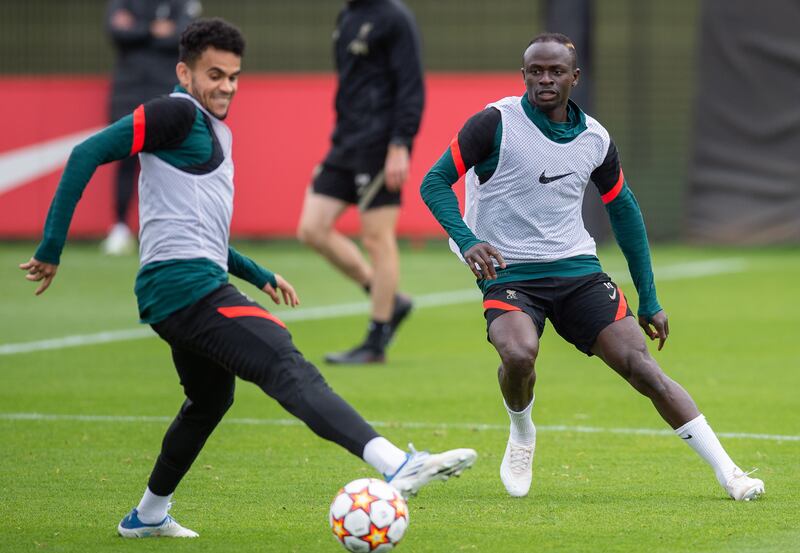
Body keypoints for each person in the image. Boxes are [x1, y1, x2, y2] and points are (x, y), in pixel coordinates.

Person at [20, 18, 476, 539]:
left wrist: (258, 274)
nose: (227, 87)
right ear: (184, 73)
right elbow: (87, 153)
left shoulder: (213, 129)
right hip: (184, 288)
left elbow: (199, 231)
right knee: (282, 358)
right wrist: (51, 248)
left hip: (185, 284)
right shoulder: (173, 112)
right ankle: (395, 462)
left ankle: (147, 516)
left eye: (234, 76)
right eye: (214, 74)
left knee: (211, 400)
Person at [420, 33, 764, 501]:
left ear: (574, 77)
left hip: (578, 269)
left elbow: (625, 211)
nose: (545, 79)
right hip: (509, 270)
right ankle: (522, 433)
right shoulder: (494, 123)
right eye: (535, 71)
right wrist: (468, 240)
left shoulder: (595, 138)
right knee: (518, 354)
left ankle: (731, 473)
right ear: (523, 75)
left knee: (641, 367)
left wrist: (650, 298)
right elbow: (434, 182)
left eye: (555, 71)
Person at [296, 0, 424, 365]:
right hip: (345, 142)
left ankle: (375, 340)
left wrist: (401, 144)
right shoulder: (348, 15)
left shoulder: (395, 18)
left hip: (380, 144)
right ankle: (388, 298)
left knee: (376, 238)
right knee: (311, 229)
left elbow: (411, 85)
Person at [101, 0, 201, 255]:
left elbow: (185, 37)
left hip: (166, 91)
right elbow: (116, 32)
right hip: (128, 92)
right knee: (126, 160)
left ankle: (175, 230)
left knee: (170, 162)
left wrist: (138, 30)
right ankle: (120, 227)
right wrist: (153, 29)